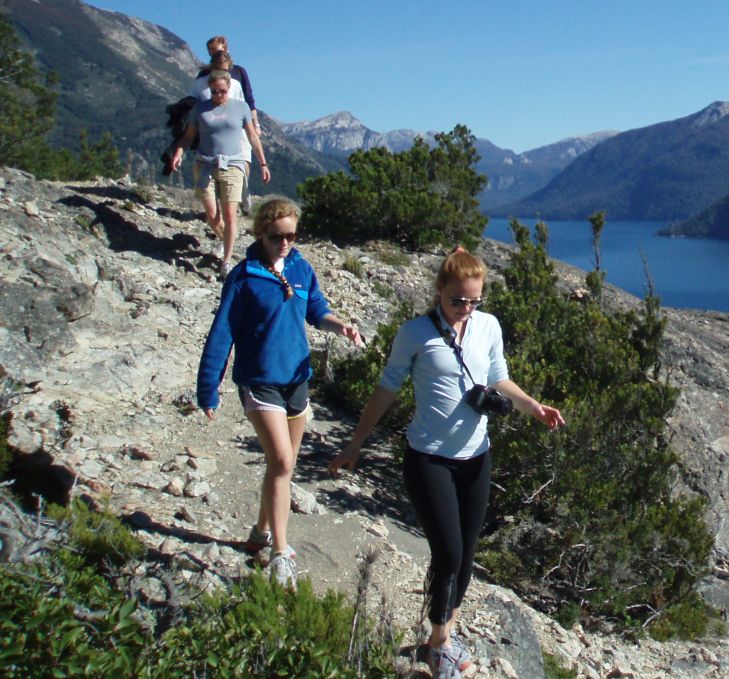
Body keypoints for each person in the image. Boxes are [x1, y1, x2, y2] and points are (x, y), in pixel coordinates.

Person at [328, 247, 565, 679]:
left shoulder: (487, 327)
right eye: (458, 300)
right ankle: (439, 645)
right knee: (449, 552)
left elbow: (498, 378)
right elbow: (386, 390)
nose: (465, 309)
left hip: (476, 457)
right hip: (428, 459)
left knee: (467, 553)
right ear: (440, 290)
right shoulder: (415, 334)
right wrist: (355, 443)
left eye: (474, 301)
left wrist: (534, 406)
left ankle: (445, 636)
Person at [197, 197, 365, 587]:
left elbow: (316, 310)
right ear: (261, 233)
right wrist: (209, 388)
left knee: (280, 467)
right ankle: (280, 552)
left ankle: (260, 530)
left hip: (297, 379)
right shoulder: (243, 277)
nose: (286, 242)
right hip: (260, 380)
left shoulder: (301, 269)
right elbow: (221, 333)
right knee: (284, 464)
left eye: (292, 235)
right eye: (278, 236)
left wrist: (340, 326)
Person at [167, 70, 269, 277]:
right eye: (214, 91)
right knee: (212, 216)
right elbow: (188, 136)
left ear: (229, 88)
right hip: (205, 164)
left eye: (222, 91)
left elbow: (252, 137)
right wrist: (178, 152)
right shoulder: (200, 109)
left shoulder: (241, 108)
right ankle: (225, 239)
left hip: (233, 164)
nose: (219, 95)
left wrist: (262, 163)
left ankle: (226, 260)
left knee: (230, 214)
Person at [199, 37, 260, 215]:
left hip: (239, 122)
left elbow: (249, 99)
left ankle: (242, 193)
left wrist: (255, 123)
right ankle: (226, 205)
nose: (214, 54)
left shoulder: (239, 72)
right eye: (211, 51)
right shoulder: (204, 76)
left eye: (217, 51)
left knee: (244, 160)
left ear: (227, 51)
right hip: (215, 125)